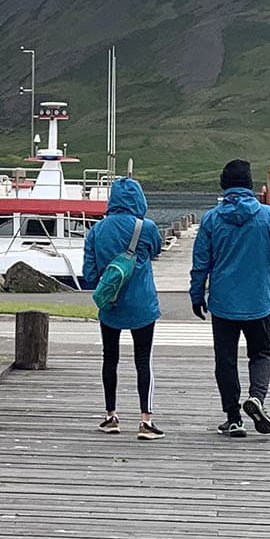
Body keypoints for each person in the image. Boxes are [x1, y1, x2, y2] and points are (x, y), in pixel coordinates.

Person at [189, 158, 270, 437]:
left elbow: (201, 261)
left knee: (225, 359)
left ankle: (233, 417)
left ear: (224, 186)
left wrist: (196, 294)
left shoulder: (211, 218)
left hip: (223, 301)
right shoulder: (268, 216)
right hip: (258, 299)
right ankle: (257, 397)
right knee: (261, 352)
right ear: (249, 185)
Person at [81, 174, 164, 437]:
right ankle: (146, 421)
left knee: (110, 358)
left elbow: (89, 275)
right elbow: (156, 250)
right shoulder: (146, 227)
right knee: (143, 360)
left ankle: (111, 415)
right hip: (142, 305)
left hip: (111, 305)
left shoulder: (96, 230)